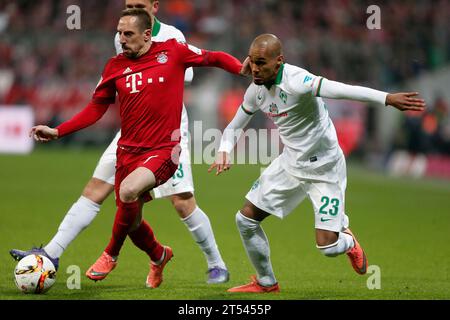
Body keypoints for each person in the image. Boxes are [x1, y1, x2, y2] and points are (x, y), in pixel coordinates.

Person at [10, 0, 229, 284]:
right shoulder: (122, 38)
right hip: (130, 134)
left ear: (154, 6)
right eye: (128, 4)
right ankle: (51, 254)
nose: (131, 11)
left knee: (182, 203)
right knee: (103, 194)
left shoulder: (174, 38)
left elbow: (183, 75)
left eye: (139, 4)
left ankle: (216, 264)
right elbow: (115, 87)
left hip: (169, 133)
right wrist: (60, 130)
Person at [209, 34, 426, 293]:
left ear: (279, 62)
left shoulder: (298, 81)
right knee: (245, 220)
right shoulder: (255, 91)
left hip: (324, 168)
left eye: (261, 63)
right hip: (290, 163)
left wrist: (387, 98)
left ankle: (347, 240)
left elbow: (343, 90)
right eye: (252, 62)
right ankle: (266, 283)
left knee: (327, 247)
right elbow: (235, 125)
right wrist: (224, 149)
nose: (254, 68)